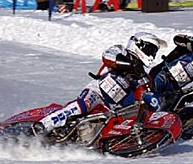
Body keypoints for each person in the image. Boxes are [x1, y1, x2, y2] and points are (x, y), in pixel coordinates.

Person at [33, 32, 167, 133]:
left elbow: (144, 95)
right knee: (82, 105)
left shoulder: (142, 76)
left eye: (154, 52)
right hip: (96, 93)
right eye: (150, 50)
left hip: (112, 108)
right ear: (138, 45)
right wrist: (130, 65)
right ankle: (44, 125)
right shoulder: (120, 50)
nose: (152, 55)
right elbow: (107, 56)